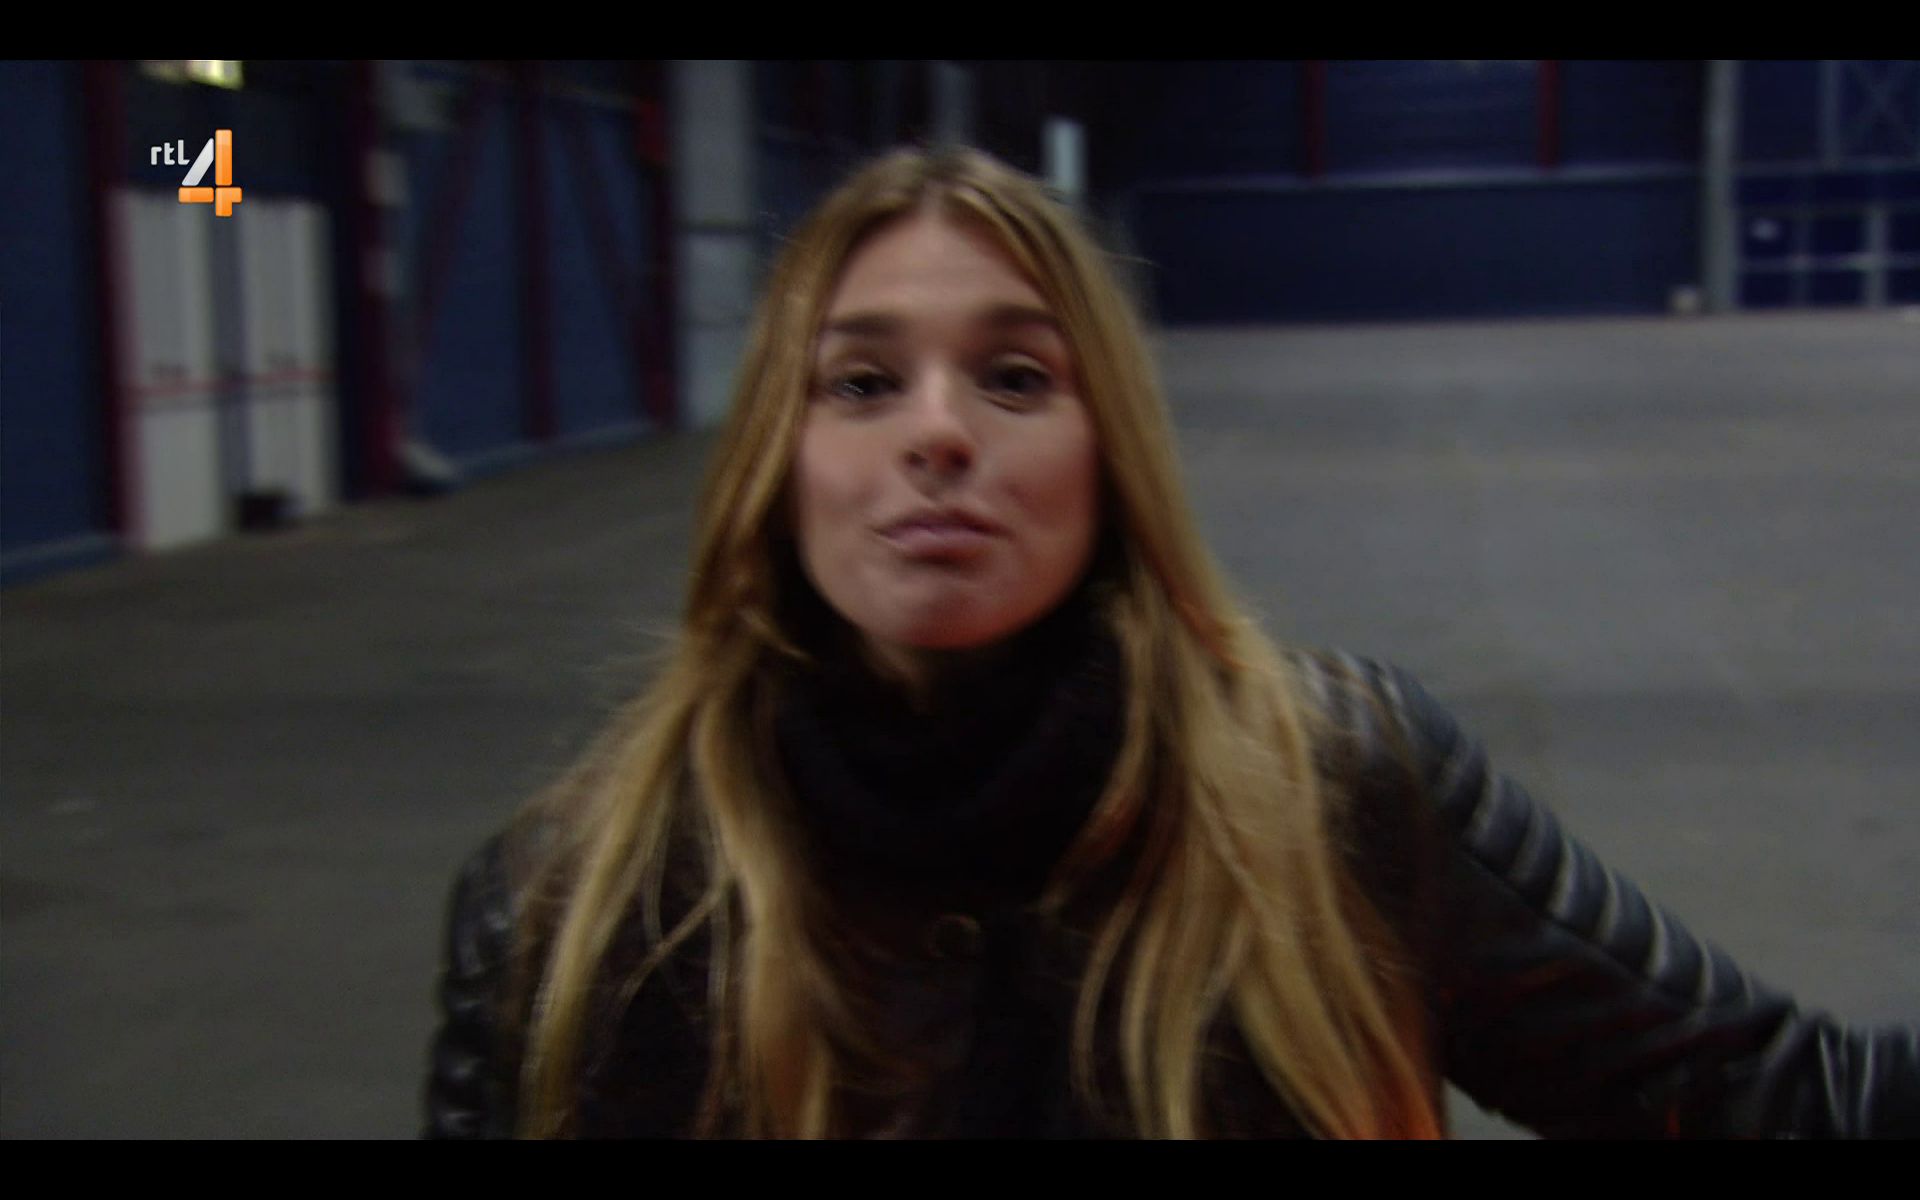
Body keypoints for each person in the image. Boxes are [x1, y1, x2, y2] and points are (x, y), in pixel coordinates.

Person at [423, 146, 1918, 1139]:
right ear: (776, 458)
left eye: (1016, 377)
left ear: (1110, 456)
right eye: (862, 384)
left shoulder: (1338, 787)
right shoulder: (563, 902)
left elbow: (1781, 1102)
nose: (938, 433)